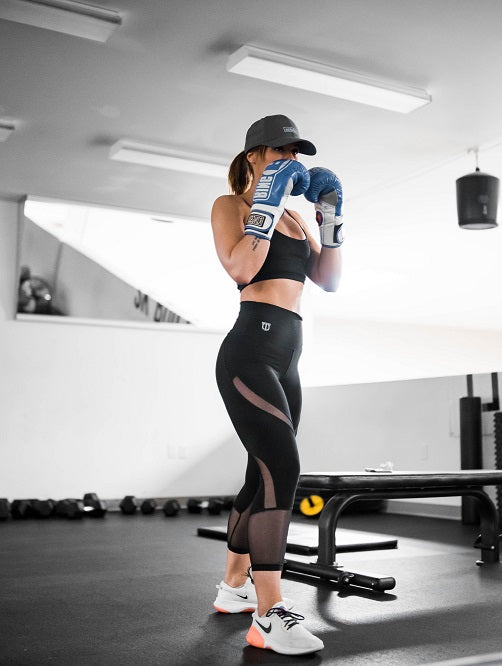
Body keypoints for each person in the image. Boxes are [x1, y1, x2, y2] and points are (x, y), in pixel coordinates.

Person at [210, 114, 343, 656]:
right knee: (283, 467)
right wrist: (263, 200)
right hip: (249, 349)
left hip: (290, 353)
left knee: (259, 473)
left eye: (297, 152)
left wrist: (329, 217)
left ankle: (232, 587)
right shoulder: (232, 207)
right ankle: (268, 615)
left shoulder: (294, 219)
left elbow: (329, 280)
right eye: (279, 152)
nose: (291, 159)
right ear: (252, 158)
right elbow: (242, 269)